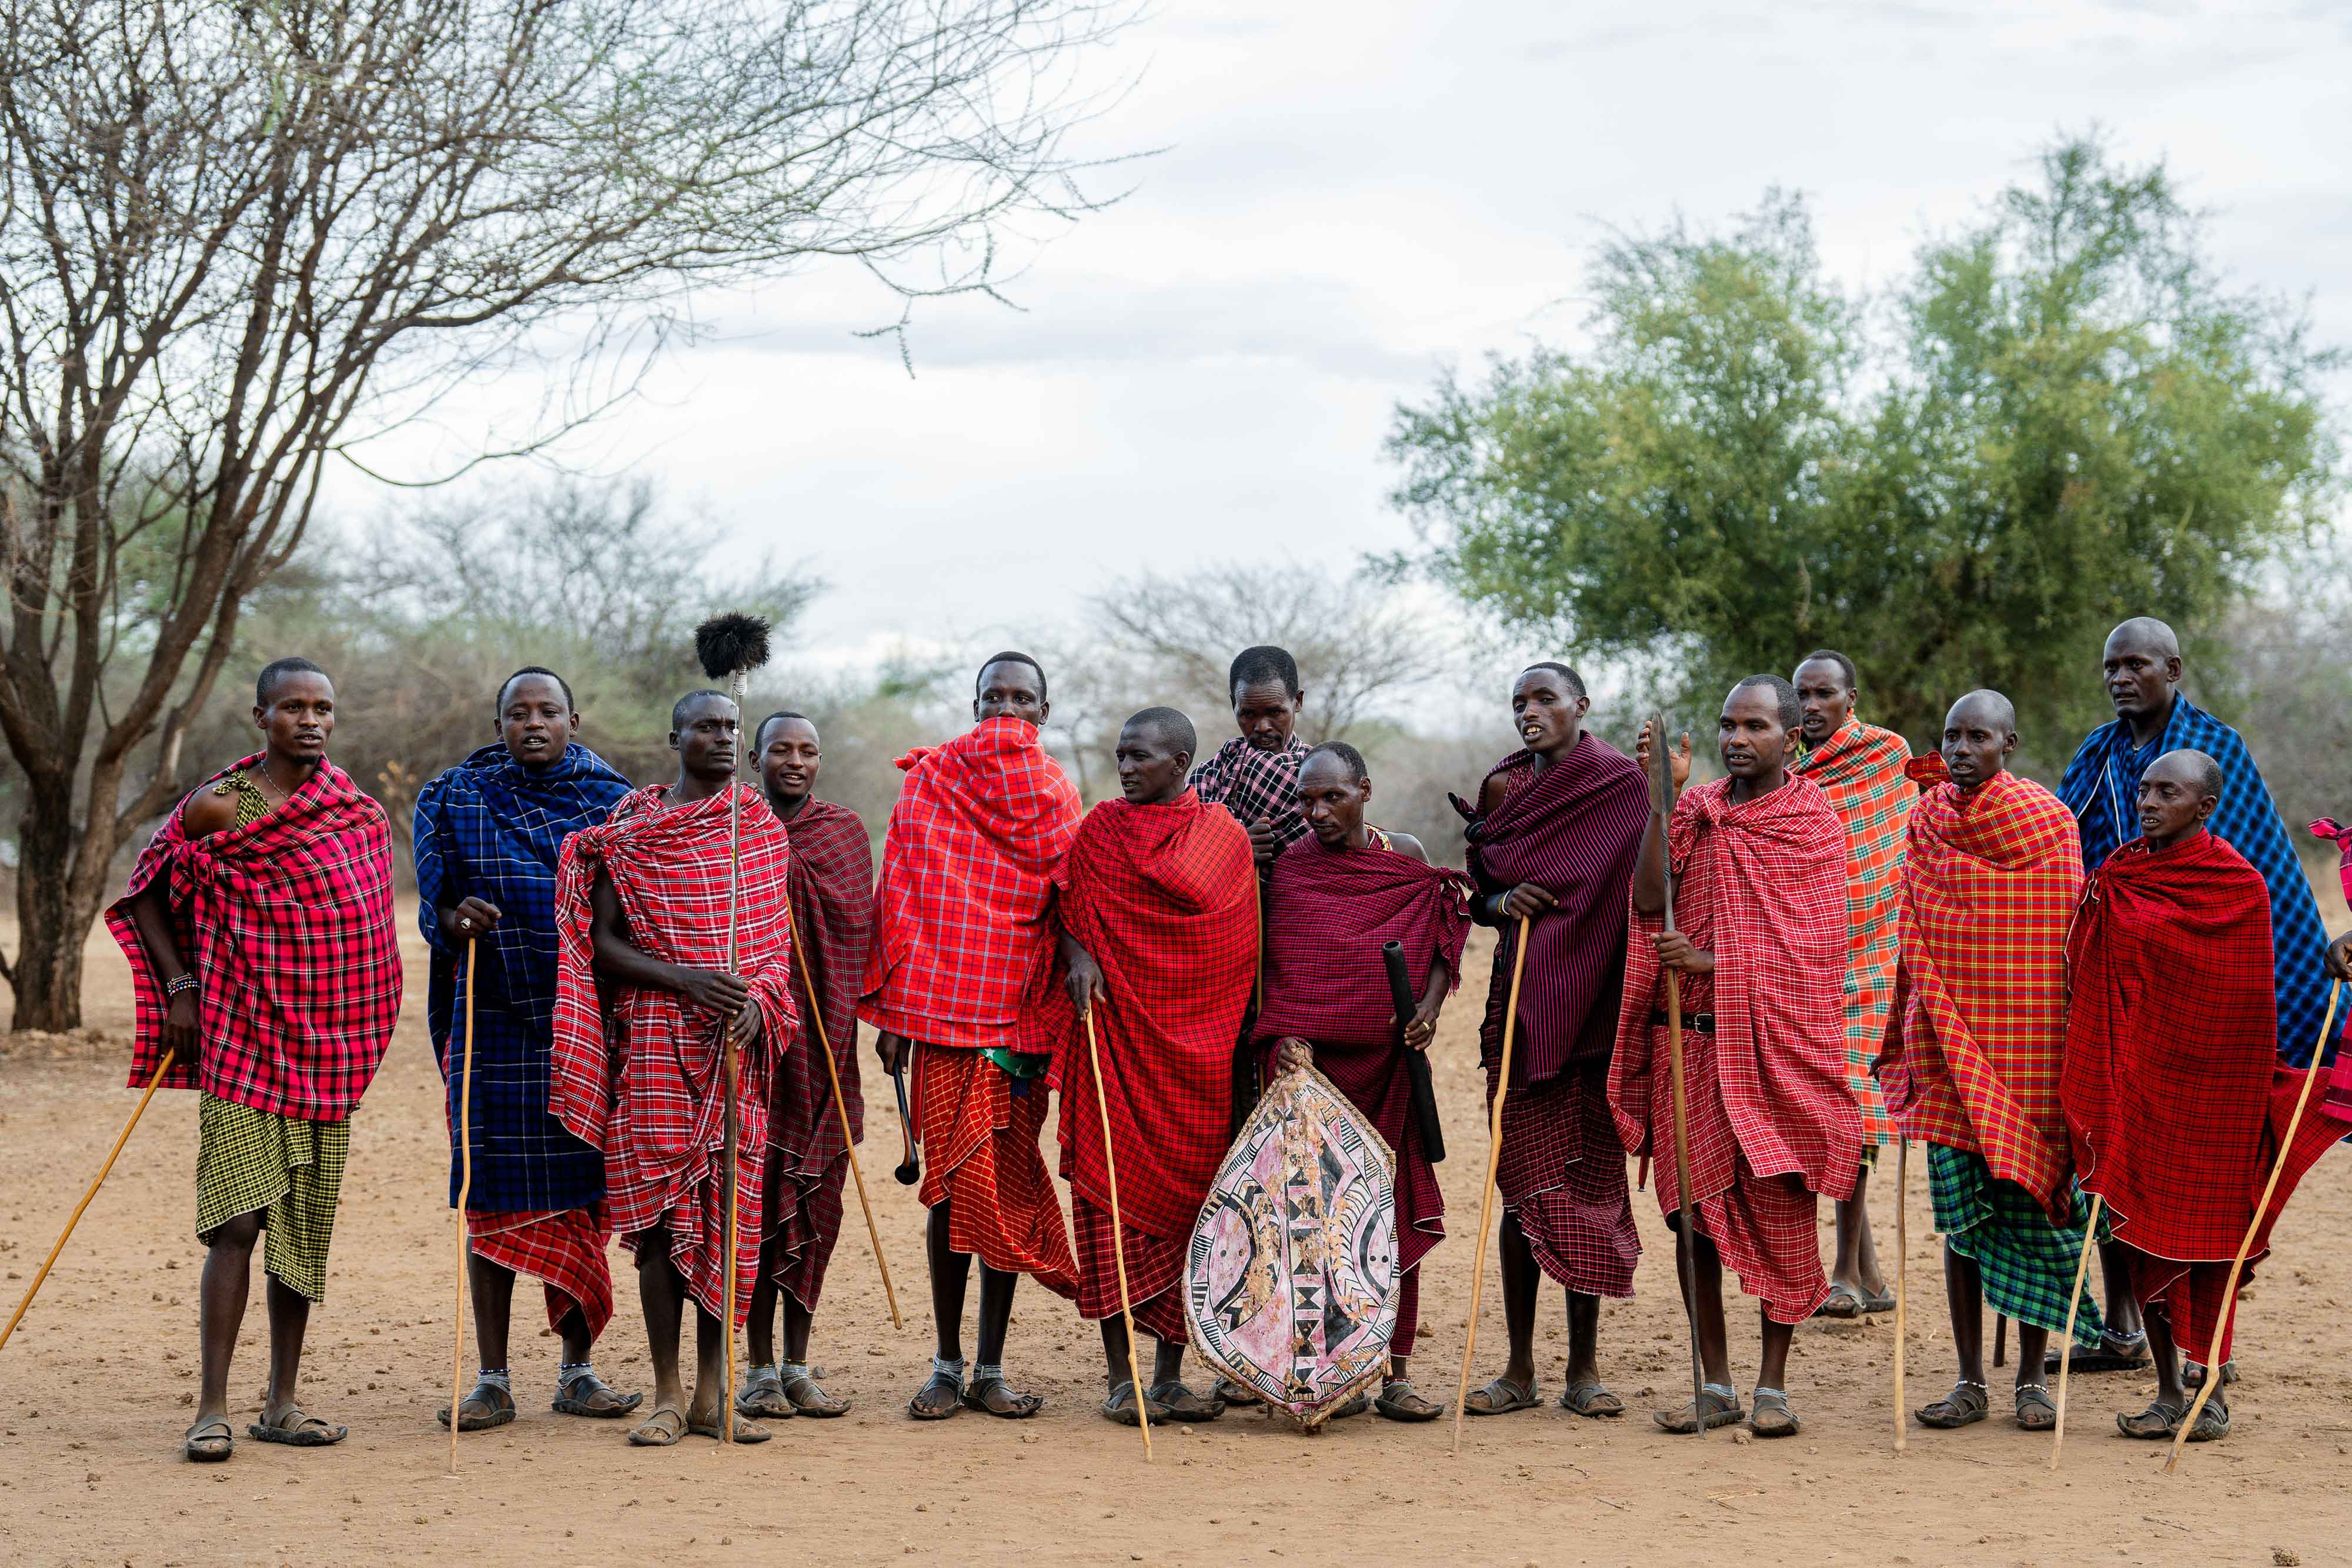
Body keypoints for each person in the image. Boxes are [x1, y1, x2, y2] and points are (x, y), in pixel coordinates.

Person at [109, 658, 402, 1462]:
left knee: (302, 1228)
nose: (311, 720)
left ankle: (283, 1399)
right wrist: (179, 986)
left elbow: (364, 932)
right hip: (240, 1031)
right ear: (260, 715)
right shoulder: (224, 804)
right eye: (293, 707)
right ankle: (210, 1406)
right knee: (237, 1220)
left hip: (328, 1047)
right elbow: (146, 888)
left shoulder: (359, 814)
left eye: (324, 707)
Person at [2055, 616, 2337, 1373]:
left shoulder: (2217, 754)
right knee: (2113, 1160)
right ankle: (2121, 1328)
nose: (2119, 678)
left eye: (2136, 664)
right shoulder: (2098, 754)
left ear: (2172, 668)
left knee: (2199, 1173)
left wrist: (2299, 1000)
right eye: (2109, 665)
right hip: (2117, 991)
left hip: (2201, 999)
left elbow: (2264, 884)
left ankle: (2199, 1338)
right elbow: (2069, 856)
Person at [1614, 676, 1861, 1438]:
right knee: (1693, 1216)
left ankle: (1772, 1384)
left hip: (1774, 1051)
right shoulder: (1699, 809)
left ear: (1792, 737)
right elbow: (1651, 896)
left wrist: (1713, 962)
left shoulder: (1812, 821)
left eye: (1755, 724)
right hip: (1688, 1048)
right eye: (1727, 723)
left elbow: (1815, 950)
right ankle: (1714, 1380)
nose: (1736, 736)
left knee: (1781, 1210)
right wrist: (1662, 800)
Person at [550, 689, 797, 1447]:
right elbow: (604, 944)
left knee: (731, 1216)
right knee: (658, 1219)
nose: (723, 739)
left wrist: (758, 1000)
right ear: (675, 736)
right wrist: (685, 978)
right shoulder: (633, 832)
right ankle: (665, 1390)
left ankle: (714, 1394)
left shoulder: (758, 829)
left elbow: (772, 946)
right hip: (658, 1038)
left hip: (735, 1049)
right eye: (707, 727)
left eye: (732, 728)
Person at [413, 667, 640, 1431]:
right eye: (518, 712)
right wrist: (455, 918)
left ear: (575, 717)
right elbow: (432, 906)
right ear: (499, 722)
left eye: (548, 710)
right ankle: (492, 1377)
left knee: (580, 1191)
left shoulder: (616, 803)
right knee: (490, 1193)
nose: (533, 722)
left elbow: (637, 911)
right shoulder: (454, 797)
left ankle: (578, 1370)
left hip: (586, 1021)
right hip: (488, 1017)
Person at [864, 653, 1083, 1421]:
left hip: (1021, 1019)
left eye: (1023, 697)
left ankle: (991, 1365)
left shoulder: (1057, 792)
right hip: (943, 1022)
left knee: (1008, 1184)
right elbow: (902, 893)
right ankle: (946, 1362)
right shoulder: (931, 780)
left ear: (1045, 711)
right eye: (995, 694)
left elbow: (1068, 902)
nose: (1007, 706)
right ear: (975, 702)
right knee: (951, 1188)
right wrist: (894, 1011)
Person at [1877, 691, 2100, 1434]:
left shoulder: (2047, 822)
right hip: (1944, 1049)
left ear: (2010, 741)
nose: (1962, 748)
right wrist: (1898, 1035)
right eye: (1952, 736)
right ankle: (1970, 1378)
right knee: (1961, 1220)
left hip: (2034, 1052)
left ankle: (2033, 1378)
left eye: (1978, 736)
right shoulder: (1926, 819)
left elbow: (2061, 945)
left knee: (2035, 1210)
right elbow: (1911, 928)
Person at [1029, 707, 1257, 1425]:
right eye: (1121, 755)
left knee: (1194, 1213)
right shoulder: (1098, 831)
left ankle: (1168, 1376)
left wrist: (1196, 1014)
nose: (1126, 767)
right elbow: (1066, 915)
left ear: (1181, 761)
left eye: (1141, 756)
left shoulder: (1221, 837)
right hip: (1115, 1045)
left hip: (1196, 1057)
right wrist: (1081, 957)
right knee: (1107, 1206)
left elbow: (1236, 949)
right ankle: (1119, 1378)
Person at [1252, 741, 1474, 1421]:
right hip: (1310, 1073)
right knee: (1313, 1220)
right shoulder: (1289, 869)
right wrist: (1285, 1036)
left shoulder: (1401, 856)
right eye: (1305, 800)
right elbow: (1279, 967)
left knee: (1390, 1207)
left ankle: (1394, 1374)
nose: (1316, 812)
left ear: (1364, 791)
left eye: (1332, 798)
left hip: (1389, 1064)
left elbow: (1444, 927)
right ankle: (1327, 1371)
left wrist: (1429, 1011)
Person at [1455, 663, 1648, 1420]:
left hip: (1599, 1006)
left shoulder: (1622, 784)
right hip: (1527, 1006)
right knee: (1523, 1188)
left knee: (1592, 1184)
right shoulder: (1505, 790)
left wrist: (1667, 784)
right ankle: (1518, 1368)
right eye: (1518, 703)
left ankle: (1585, 1370)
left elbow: (1653, 879)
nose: (1529, 713)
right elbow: (1477, 889)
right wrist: (1502, 899)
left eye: (1544, 700)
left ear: (1580, 707)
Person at [734, 711, 873, 1421]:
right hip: (756, 1047)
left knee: (817, 1203)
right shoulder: (729, 830)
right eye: (781, 750)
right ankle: (756, 1368)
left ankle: (797, 1362)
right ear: (753, 756)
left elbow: (858, 932)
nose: (795, 761)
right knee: (756, 1206)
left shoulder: (843, 833)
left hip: (827, 1048)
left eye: (808, 751)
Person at [1790, 649, 1914, 1318]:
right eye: (1801, 694)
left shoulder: (1887, 757)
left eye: (1824, 694)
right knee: (1827, 1106)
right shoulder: (1782, 766)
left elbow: (1900, 844)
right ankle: (1866, 1274)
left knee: (1853, 1105)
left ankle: (1841, 1268)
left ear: (1851, 697)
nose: (1811, 706)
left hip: (1877, 955)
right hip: (1806, 958)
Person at [1188, 644, 1314, 866]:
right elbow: (1180, 849)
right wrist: (1235, 846)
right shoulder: (1210, 775)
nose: (1262, 727)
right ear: (1233, 705)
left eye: (1275, 712)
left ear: (1298, 702)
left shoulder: (1321, 772)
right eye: (1247, 714)